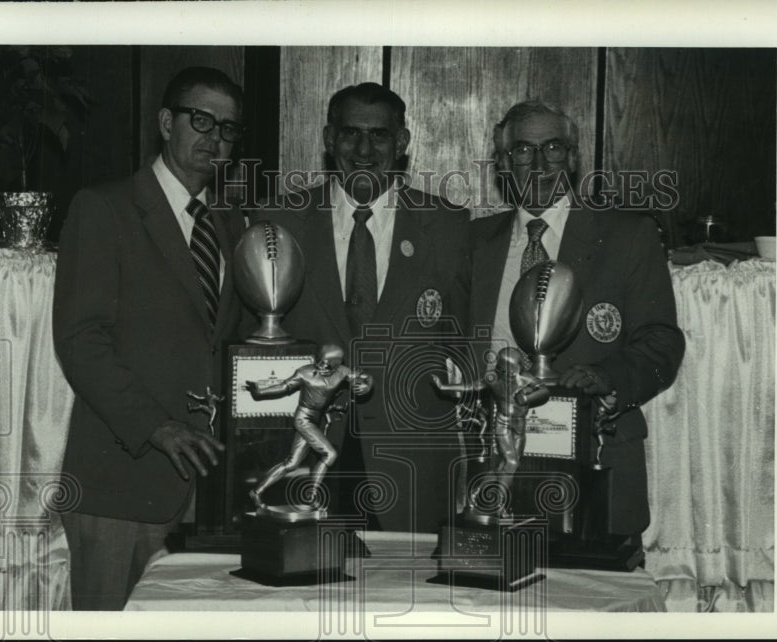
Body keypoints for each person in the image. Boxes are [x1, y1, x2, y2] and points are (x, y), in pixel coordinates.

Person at [53, 67, 250, 610]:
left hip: (206, 493)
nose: (215, 138)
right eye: (202, 120)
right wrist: (155, 427)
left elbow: (225, 343)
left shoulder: (231, 226)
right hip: (122, 476)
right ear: (166, 122)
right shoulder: (104, 208)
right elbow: (80, 341)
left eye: (229, 130)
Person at [253, 83, 472, 533]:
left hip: (409, 464)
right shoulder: (278, 221)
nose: (364, 149)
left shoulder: (448, 226)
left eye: (380, 135)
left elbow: (465, 341)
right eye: (351, 133)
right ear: (329, 139)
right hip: (308, 449)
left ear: (403, 142)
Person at [470, 100, 685, 546]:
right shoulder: (473, 243)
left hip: (594, 464)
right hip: (492, 464)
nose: (539, 162)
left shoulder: (627, 235)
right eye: (523, 151)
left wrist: (608, 378)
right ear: (503, 163)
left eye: (553, 148)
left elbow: (662, 340)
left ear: (572, 158)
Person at [244, 344, 373, 509]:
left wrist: (367, 384)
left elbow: (364, 376)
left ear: (336, 363)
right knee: (330, 454)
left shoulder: (342, 372)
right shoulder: (305, 372)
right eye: (320, 360)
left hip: (315, 419)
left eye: (326, 363)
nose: (321, 365)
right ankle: (311, 496)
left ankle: (256, 492)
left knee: (292, 464)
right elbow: (284, 386)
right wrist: (259, 392)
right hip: (303, 418)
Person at [432, 347, 549, 519]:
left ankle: (477, 492)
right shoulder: (493, 378)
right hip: (503, 423)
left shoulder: (526, 379)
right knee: (511, 463)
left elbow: (545, 392)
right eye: (509, 371)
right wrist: (444, 386)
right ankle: (499, 504)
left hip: (520, 425)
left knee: (504, 467)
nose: (512, 374)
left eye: (515, 370)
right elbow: (471, 386)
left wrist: (527, 396)